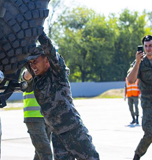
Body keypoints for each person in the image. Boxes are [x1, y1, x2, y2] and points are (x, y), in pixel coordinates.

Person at [22, 32, 99, 160]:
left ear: (46, 59)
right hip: (57, 135)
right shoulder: (37, 78)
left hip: (73, 130)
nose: (32, 66)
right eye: (30, 63)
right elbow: (24, 60)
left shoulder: (58, 73)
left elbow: (50, 50)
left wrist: (38, 31)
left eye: (35, 61)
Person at [22, 76, 53, 160]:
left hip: (48, 117)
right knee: (45, 151)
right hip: (34, 117)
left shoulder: (48, 75)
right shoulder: (30, 73)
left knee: (39, 154)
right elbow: (26, 77)